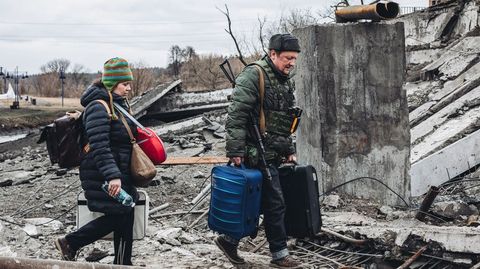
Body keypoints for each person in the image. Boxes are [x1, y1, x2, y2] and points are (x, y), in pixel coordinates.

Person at [217, 34, 303, 268]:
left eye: (295, 59)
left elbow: (284, 121)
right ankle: (279, 255)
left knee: (257, 202)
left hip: (272, 151)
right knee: (274, 202)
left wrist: (288, 150)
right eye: (288, 58)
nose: (291, 63)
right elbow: (236, 115)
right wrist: (235, 150)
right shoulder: (254, 75)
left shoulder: (284, 80)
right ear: (272, 54)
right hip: (253, 152)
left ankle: (229, 241)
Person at [54, 57, 138, 265]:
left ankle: (123, 263)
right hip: (103, 173)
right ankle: (71, 242)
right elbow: (99, 145)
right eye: (124, 84)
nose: (128, 88)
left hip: (118, 170)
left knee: (127, 212)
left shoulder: (116, 105)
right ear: (111, 84)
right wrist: (113, 176)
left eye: (129, 84)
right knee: (120, 214)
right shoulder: (98, 107)